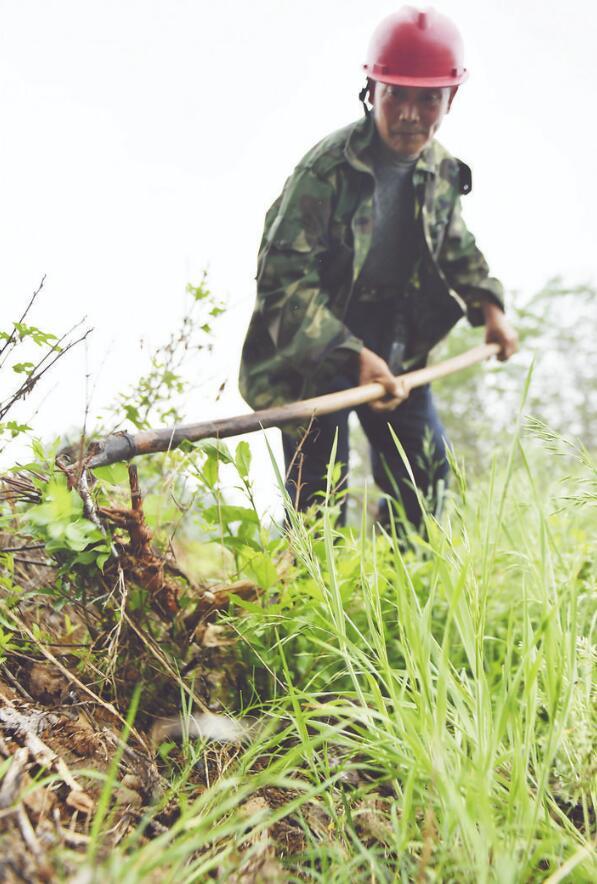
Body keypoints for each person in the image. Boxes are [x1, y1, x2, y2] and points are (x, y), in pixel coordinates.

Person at [239, 6, 518, 530]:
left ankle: (400, 596)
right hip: (318, 355)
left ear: (450, 99)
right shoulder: (324, 172)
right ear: (372, 90)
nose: (411, 113)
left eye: (428, 98)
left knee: (427, 481)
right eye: (397, 94)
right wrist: (351, 354)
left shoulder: (439, 170)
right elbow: (283, 287)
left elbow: (455, 245)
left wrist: (491, 305)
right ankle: (315, 605)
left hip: (398, 349)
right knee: (318, 508)